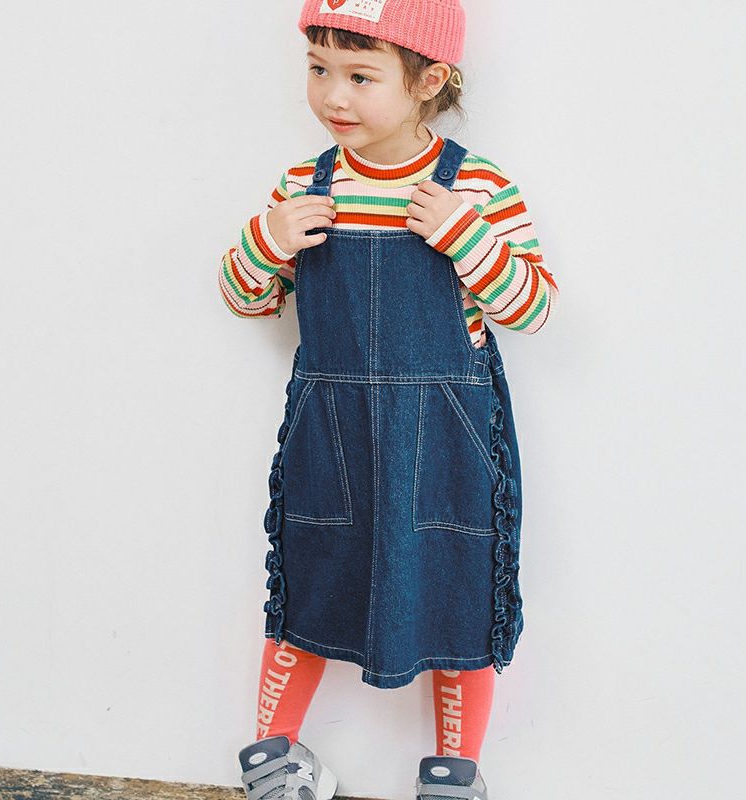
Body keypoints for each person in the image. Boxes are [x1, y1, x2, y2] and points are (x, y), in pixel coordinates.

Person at [219, 1, 560, 797]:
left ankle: (455, 773)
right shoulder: (304, 185)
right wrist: (267, 240)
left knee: (458, 585)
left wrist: (467, 236)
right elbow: (245, 298)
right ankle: (273, 755)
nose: (332, 95)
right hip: (330, 435)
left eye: (360, 76)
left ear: (428, 81)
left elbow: (534, 308)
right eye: (318, 69)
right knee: (309, 577)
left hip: (446, 438)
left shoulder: (477, 186)